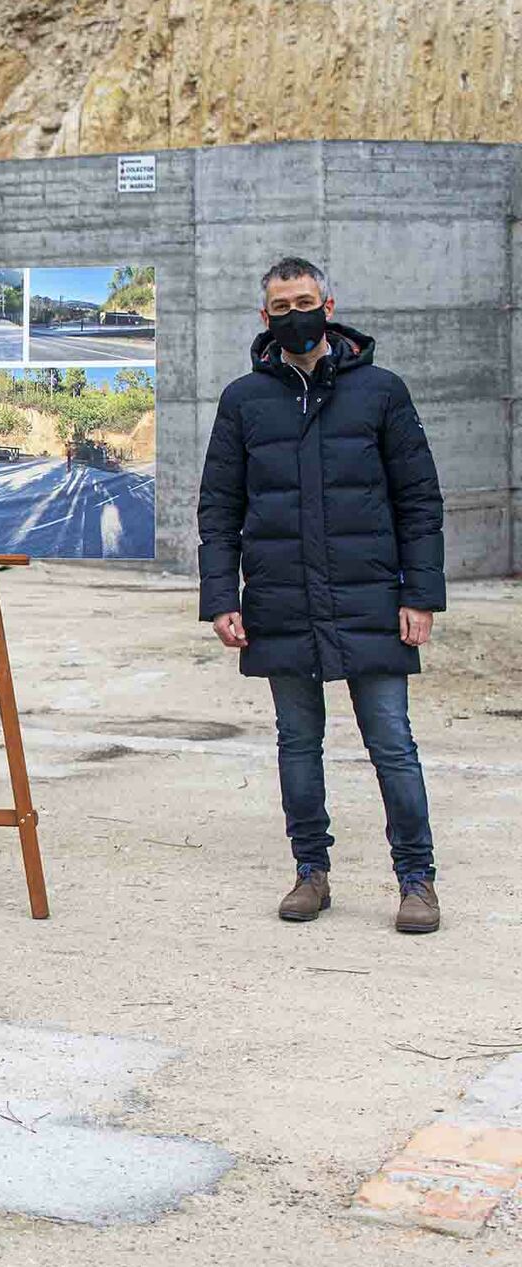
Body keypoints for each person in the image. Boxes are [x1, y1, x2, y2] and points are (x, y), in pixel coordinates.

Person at [197, 257, 445, 933]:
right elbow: (219, 507)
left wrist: (420, 594)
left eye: (305, 302)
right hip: (281, 600)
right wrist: (222, 596)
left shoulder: (383, 392)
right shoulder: (243, 400)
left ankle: (416, 879)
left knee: (391, 742)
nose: (295, 315)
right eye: (282, 307)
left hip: (371, 598)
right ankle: (311, 871)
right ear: (265, 316)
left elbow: (419, 501)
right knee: (298, 743)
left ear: (328, 306)